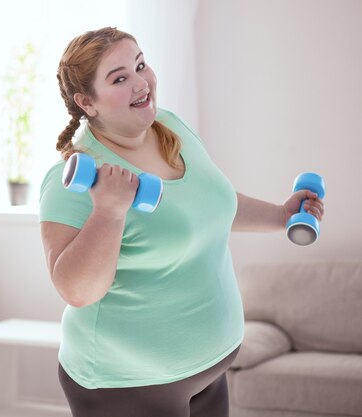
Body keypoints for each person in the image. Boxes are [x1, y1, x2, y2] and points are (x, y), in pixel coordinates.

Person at [39, 27, 325, 417]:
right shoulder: (73, 179)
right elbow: (76, 290)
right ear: (87, 101)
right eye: (120, 78)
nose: (141, 82)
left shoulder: (170, 127)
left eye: (140, 64)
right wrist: (109, 213)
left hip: (209, 367)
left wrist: (281, 214)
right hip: (127, 385)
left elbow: (207, 207)